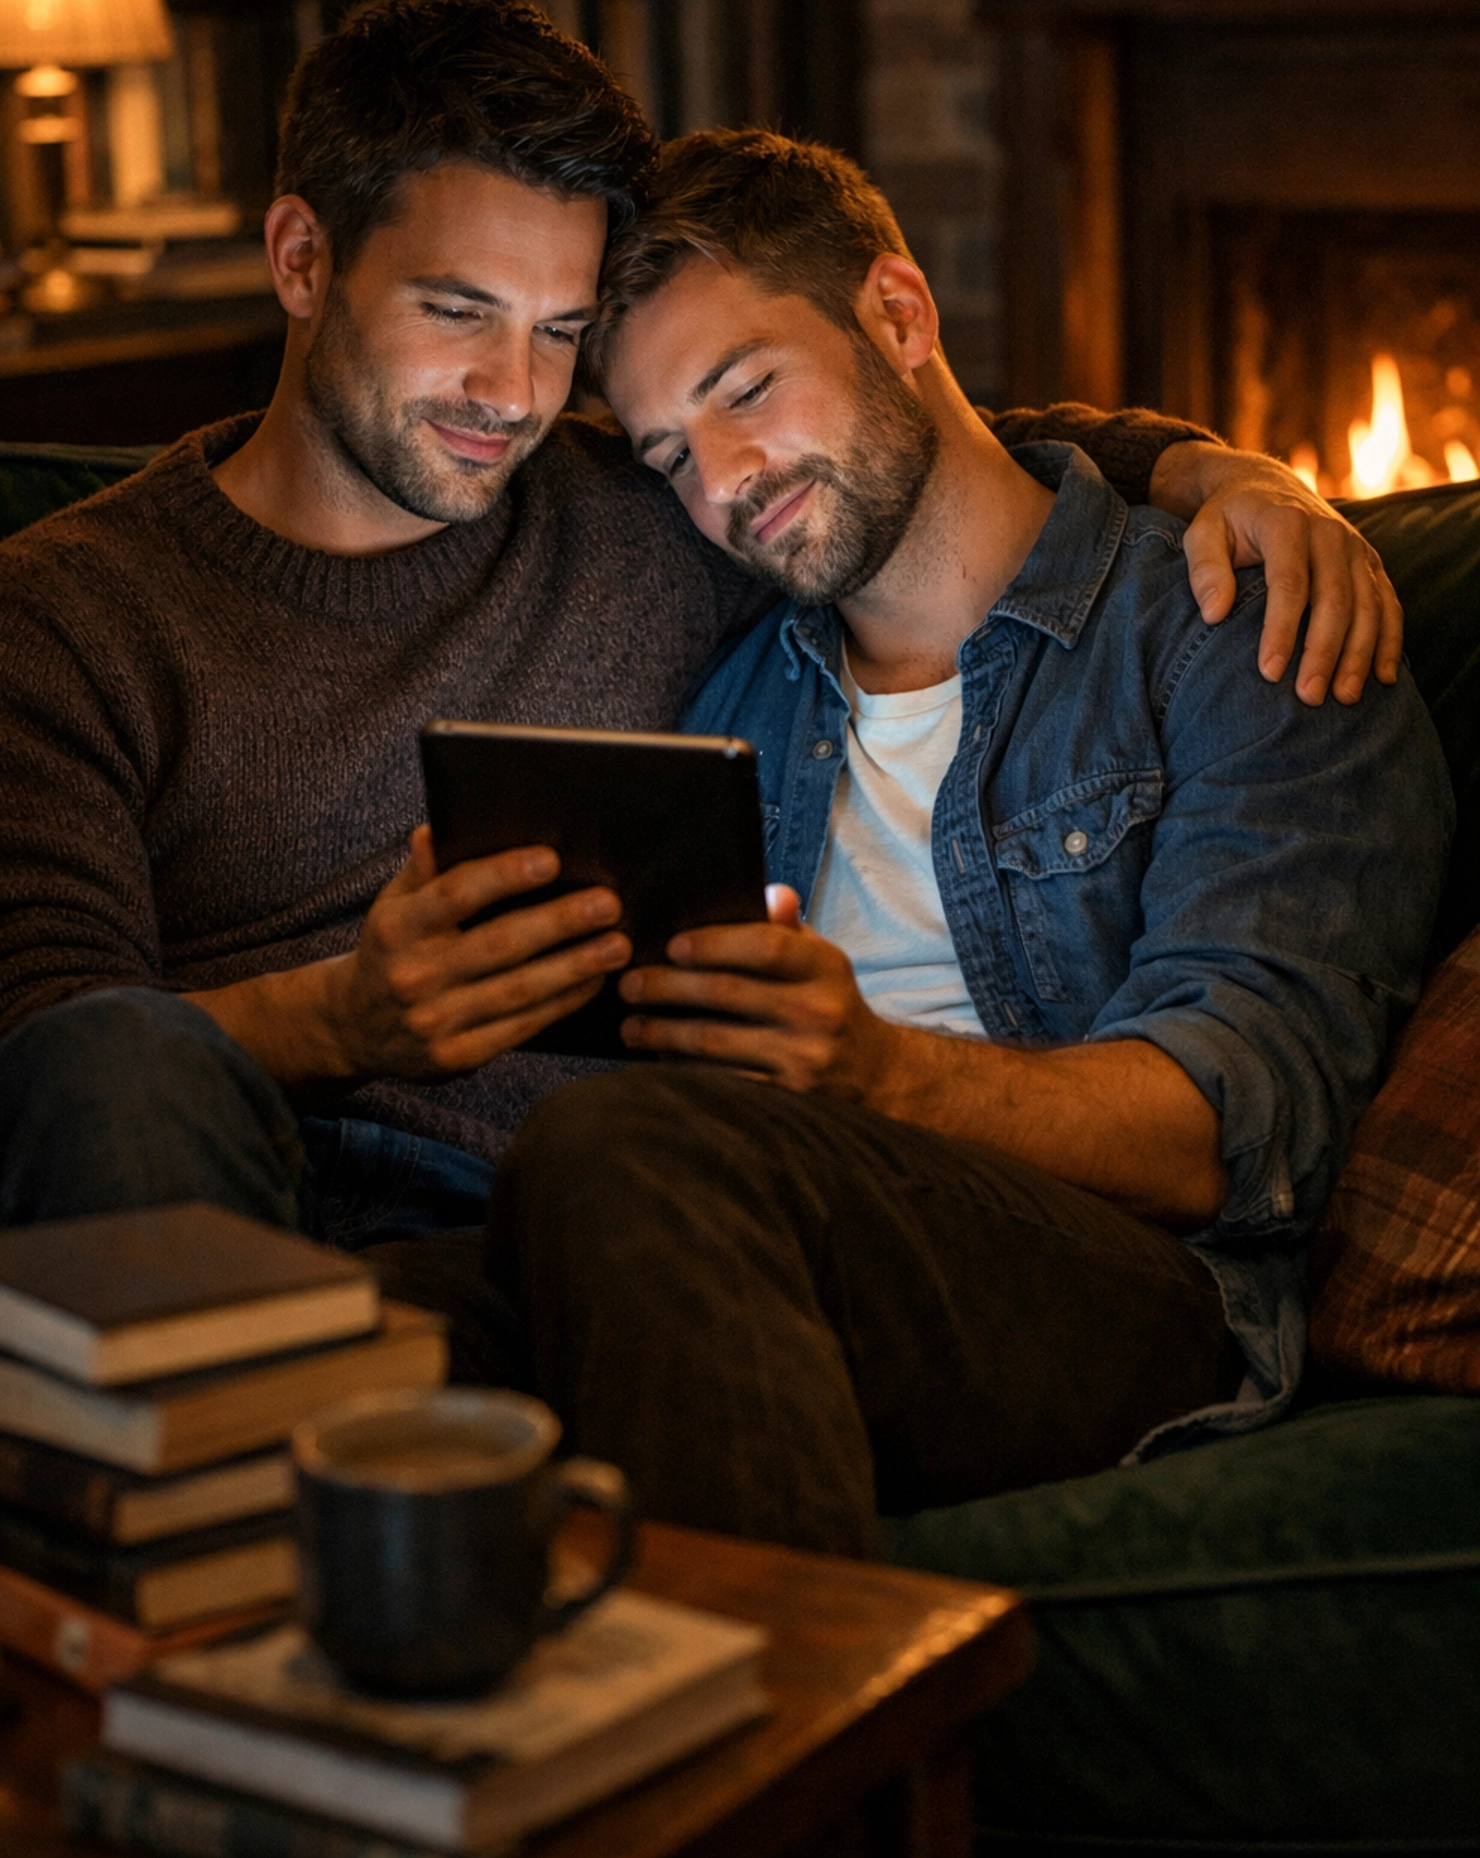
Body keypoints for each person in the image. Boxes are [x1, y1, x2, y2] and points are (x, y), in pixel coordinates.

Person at [0, 0, 1404, 1254]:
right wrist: (341, 1023)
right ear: (302, 261)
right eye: (457, 310)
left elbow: (918, 459)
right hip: (234, 1207)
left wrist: (1224, 468)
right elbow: (32, 1074)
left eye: (560, 332)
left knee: (626, 1203)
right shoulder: (46, 625)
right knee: (113, 1077)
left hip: (587, 1233)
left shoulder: (647, 506)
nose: (511, 394)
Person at [462, 129, 1453, 1558]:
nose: (727, 479)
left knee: (628, 1150)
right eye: (674, 452)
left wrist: (868, 1070)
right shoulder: (729, 701)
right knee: (378, 1316)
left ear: (900, 317)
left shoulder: (1232, 628)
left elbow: (1238, 1129)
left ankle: (798, 1758)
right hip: (759, 1233)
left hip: (1138, 1287)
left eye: (747, 388)